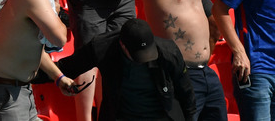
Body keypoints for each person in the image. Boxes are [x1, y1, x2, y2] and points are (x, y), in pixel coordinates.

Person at [54, 18, 197, 121]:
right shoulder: (102, 48)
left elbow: (186, 92)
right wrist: (38, 73)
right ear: (122, 45)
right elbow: (68, 67)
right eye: (138, 55)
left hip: (162, 115)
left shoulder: (168, 52)